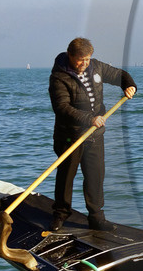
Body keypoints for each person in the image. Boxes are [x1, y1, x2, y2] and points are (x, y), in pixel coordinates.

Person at [49, 37, 136, 232]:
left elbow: (119, 75)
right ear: (70, 56)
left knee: (95, 176)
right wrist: (89, 119)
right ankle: (61, 214)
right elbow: (61, 107)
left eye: (87, 59)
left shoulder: (96, 67)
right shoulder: (58, 77)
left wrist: (129, 85)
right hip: (69, 136)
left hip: (95, 135)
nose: (84, 63)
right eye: (81, 59)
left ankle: (96, 218)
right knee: (66, 177)